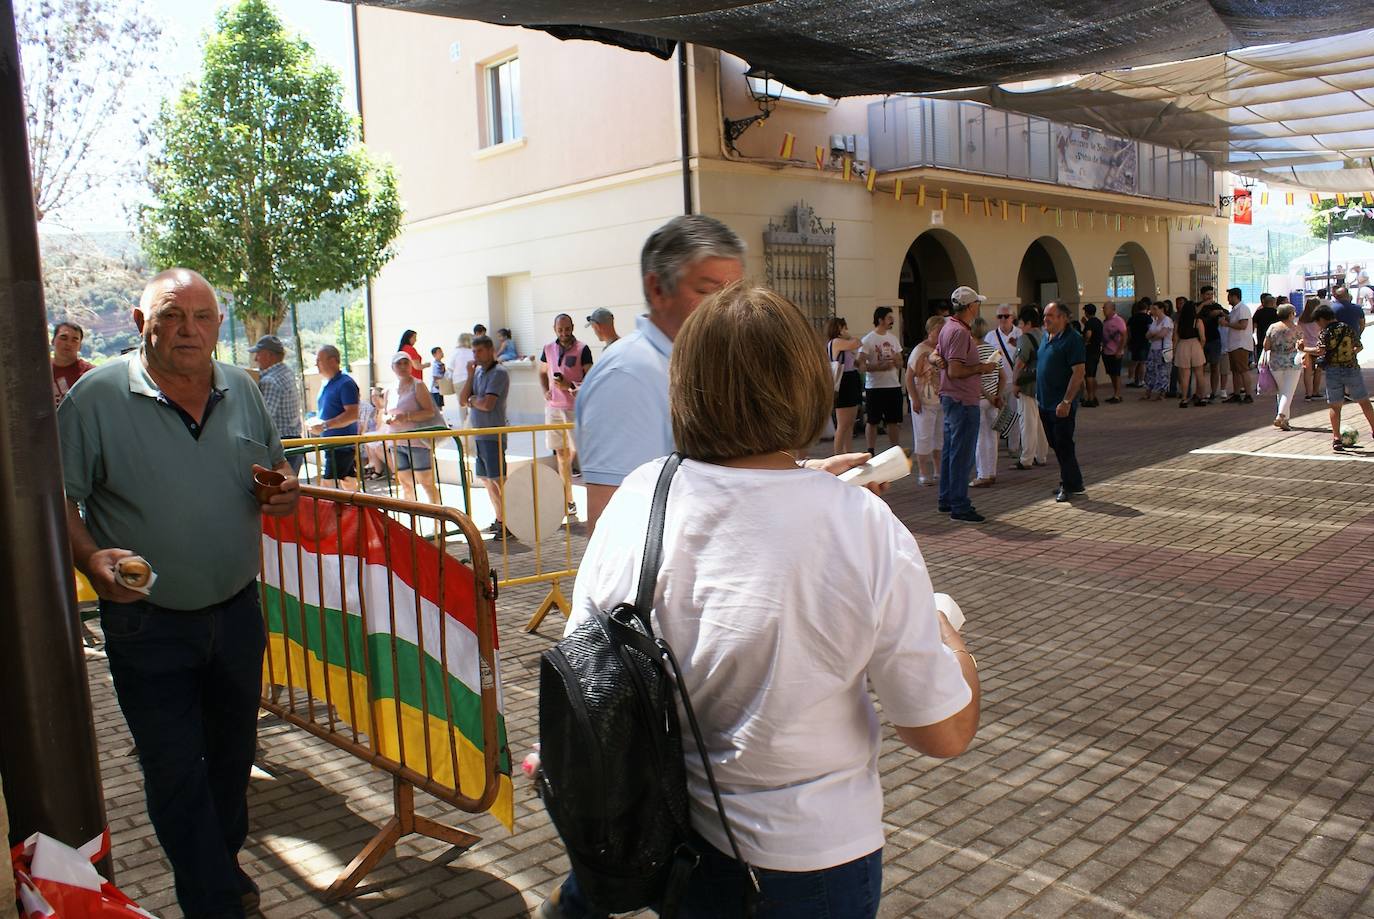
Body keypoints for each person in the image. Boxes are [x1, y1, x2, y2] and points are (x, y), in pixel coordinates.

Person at [544, 283, 979, 919]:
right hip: (807, 866)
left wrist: (793, 485)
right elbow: (942, 731)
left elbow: (593, 650)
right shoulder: (860, 523)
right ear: (806, 384)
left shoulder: (640, 495)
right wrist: (943, 623)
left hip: (672, 838)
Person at [58, 268, 299, 918]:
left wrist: (281, 490)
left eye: (201, 316)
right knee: (173, 771)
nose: (188, 328)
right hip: (146, 623)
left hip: (236, 611)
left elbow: (279, 472)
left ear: (220, 326)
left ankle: (218, 870)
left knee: (231, 759)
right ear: (142, 323)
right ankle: (216, 899)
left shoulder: (244, 389)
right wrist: (91, 556)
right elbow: (60, 501)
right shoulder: (94, 397)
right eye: (171, 314)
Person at [575, 215, 746, 533]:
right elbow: (615, 533)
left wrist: (796, 478)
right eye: (710, 291)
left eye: (736, 293)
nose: (730, 308)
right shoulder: (628, 378)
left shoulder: (694, 363)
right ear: (657, 289)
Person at [937, 286, 997, 523]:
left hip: (952, 398)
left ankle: (947, 499)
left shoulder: (948, 327)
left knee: (951, 452)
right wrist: (983, 367)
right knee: (961, 455)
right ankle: (959, 505)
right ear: (971, 307)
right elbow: (956, 369)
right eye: (977, 304)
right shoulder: (960, 332)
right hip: (962, 399)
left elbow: (938, 357)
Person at [540, 313, 594, 519]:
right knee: (561, 456)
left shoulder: (583, 349)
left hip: (574, 407)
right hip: (553, 408)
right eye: (560, 329)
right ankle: (568, 501)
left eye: (567, 328)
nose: (564, 333)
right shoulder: (548, 349)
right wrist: (546, 389)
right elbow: (542, 371)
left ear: (572, 327)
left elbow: (591, 379)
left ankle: (593, 500)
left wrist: (570, 386)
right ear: (555, 329)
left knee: (578, 452)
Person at [462, 335, 513, 537]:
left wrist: (473, 400)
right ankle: (500, 519)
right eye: (474, 352)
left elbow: (487, 404)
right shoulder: (477, 373)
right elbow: (462, 399)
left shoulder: (499, 373)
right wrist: (469, 376)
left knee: (499, 480)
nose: (476, 355)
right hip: (479, 434)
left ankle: (510, 521)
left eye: (480, 351)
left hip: (493, 433)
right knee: (486, 481)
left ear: (490, 350)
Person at [1037, 302, 1087, 502]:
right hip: (1044, 402)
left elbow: (1079, 373)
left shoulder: (1072, 340)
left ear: (1063, 318)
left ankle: (1069, 484)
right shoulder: (1045, 336)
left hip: (1061, 404)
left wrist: (1066, 401)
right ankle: (1073, 481)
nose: (1046, 319)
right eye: (1044, 315)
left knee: (1063, 443)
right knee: (1055, 443)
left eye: (1050, 315)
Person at [1309, 304, 1374, 451]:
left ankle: (1336, 438)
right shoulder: (1347, 328)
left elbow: (1320, 351)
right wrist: (1349, 354)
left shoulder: (1325, 332)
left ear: (1322, 319)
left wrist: (1303, 349)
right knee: (1363, 401)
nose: (1318, 325)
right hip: (1351, 368)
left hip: (1333, 371)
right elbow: (1359, 346)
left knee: (1335, 405)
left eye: (1318, 322)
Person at [384, 352, 443, 504]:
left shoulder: (418, 385)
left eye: (406, 363)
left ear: (411, 366)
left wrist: (407, 417)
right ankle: (411, 521)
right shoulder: (389, 389)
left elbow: (429, 412)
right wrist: (388, 419)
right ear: (393, 367)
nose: (403, 367)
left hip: (417, 442)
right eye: (399, 364)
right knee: (405, 484)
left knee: (426, 483)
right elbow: (384, 413)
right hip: (396, 442)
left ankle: (438, 520)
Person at [248, 334, 303, 472]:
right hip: (294, 442)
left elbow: (265, 419)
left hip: (281, 445)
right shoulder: (286, 373)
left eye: (258, 354)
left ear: (268, 355)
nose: (255, 359)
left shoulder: (270, 381)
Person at [308, 345, 360, 485]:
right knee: (349, 482)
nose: (316, 364)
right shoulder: (327, 384)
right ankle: (361, 506)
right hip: (332, 444)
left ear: (332, 361)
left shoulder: (346, 383)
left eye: (319, 360)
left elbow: (353, 414)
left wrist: (324, 425)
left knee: (330, 485)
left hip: (341, 445)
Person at [859, 306, 904, 455]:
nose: (892, 320)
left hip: (893, 385)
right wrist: (878, 367)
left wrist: (896, 362)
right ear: (881, 320)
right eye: (889, 318)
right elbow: (860, 364)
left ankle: (895, 449)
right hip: (875, 386)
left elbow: (900, 361)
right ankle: (870, 450)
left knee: (893, 421)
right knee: (872, 420)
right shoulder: (868, 339)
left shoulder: (893, 339)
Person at [906, 316, 944, 486]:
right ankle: (923, 471)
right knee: (924, 436)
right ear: (930, 331)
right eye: (938, 330)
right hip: (925, 399)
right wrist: (915, 399)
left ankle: (938, 470)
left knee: (939, 437)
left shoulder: (943, 349)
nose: (940, 334)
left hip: (940, 399)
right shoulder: (920, 350)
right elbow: (909, 376)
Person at [969, 317, 1006, 489]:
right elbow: (1003, 376)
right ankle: (991, 472)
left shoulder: (971, 352)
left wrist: (989, 395)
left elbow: (975, 379)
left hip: (979, 400)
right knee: (992, 437)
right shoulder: (994, 351)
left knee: (980, 438)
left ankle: (982, 474)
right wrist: (997, 395)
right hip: (993, 402)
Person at [1012, 305, 1048, 471]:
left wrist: (1015, 384)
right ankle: (1041, 455)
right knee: (1040, 422)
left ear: (1027, 322)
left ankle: (1026, 458)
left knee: (1027, 422)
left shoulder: (1025, 338)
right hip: (1042, 384)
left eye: (1020, 323)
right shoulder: (1044, 335)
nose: (1019, 326)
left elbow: (1019, 363)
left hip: (1027, 385)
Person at [984, 305, 1021, 453]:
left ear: (1013, 317)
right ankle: (994, 447)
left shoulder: (1020, 334)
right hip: (997, 382)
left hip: (1014, 381)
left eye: (1006, 316)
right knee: (996, 416)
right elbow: (987, 360)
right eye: (1000, 316)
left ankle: (1014, 447)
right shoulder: (991, 336)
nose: (1003, 319)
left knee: (1014, 414)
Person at [1260, 303, 1302, 430]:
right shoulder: (1296, 329)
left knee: (1282, 391)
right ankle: (1281, 415)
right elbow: (1302, 346)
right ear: (1290, 314)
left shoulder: (1273, 327)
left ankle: (1285, 420)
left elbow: (1266, 345)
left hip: (1275, 362)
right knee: (1288, 392)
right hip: (1293, 362)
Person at [826, 316, 863, 455]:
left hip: (850, 379)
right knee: (843, 423)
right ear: (839, 329)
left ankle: (849, 453)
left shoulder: (843, 343)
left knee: (850, 422)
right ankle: (838, 454)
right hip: (844, 381)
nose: (847, 330)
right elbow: (857, 343)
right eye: (844, 327)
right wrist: (849, 336)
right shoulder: (836, 342)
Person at [1171, 300, 1209, 408]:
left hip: (1182, 345)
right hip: (1195, 344)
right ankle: (1201, 397)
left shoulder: (1178, 322)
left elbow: (1175, 339)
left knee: (1184, 375)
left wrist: (1174, 352)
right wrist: (1200, 348)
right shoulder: (1198, 321)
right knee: (1199, 374)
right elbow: (1203, 338)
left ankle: (1184, 399)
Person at [1220, 287, 1254, 403]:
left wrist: (1227, 324)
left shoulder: (1243, 309)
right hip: (1233, 344)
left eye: (1229, 296)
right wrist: (1226, 317)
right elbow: (1234, 320)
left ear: (1235, 296)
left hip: (1241, 344)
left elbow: (1243, 325)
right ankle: (1236, 393)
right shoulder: (1235, 310)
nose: (1228, 299)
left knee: (1243, 369)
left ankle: (1248, 394)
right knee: (1235, 371)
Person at [51, 319, 95, 405]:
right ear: (53, 341)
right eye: (63, 338)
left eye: (74, 340)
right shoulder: (38, 370)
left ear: (80, 346)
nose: (68, 343)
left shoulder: (90, 374)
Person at [1197, 288, 1228, 401]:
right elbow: (1195, 314)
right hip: (1201, 339)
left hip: (1214, 339)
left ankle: (1213, 392)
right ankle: (1200, 392)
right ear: (1202, 295)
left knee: (1215, 366)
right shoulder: (1198, 306)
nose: (1209, 296)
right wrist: (1204, 304)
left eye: (1211, 294)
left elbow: (1227, 316)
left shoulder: (1217, 306)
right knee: (1200, 367)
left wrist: (1220, 312)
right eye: (1207, 294)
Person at [1143, 301, 1174, 401]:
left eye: (1155, 309)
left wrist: (1153, 336)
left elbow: (1162, 334)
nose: (1153, 311)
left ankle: (1162, 392)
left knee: (1162, 371)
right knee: (1150, 370)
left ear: (1162, 309)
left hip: (1163, 349)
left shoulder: (1167, 321)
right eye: (1152, 309)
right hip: (1153, 349)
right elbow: (1147, 335)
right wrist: (1153, 336)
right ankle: (1148, 391)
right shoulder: (1155, 321)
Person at [1298, 297, 1325, 401]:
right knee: (1318, 370)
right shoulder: (1318, 319)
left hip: (1305, 347)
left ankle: (1308, 394)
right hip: (1317, 347)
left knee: (1307, 372)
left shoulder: (1301, 318)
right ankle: (1315, 392)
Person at [1100, 302, 1127, 403]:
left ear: (1112, 309)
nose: (1103, 310)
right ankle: (1115, 393)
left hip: (1116, 351)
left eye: (1105, 308)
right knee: (1111, 373)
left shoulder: (1118, 320)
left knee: (1116, 374)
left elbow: (1124, 335)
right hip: (1107, 351)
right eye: (1103, 308)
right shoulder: (1106, 321)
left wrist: (1119, 350)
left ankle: (1117, 395)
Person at [1079, 303, 1103, 407]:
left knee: (1088, 376)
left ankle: (1090, 398)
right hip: (1097, 350)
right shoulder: (1098, 322)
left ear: (1087, 312)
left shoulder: (1090, 323)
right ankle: (1094, 396)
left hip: (1089, 351)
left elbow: (1088, 334)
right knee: (1093, 375)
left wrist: (1085, 342)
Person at [450, 332, 476, 426]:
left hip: (458, 380)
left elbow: (450, 367)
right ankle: (474, 423)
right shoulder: (473, 351)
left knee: (462, 404)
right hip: (472, 378)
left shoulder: (456, 352)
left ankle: (464, 425)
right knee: (474, 401)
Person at [1126, 299, 1152, 387]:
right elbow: (1150, 329)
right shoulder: (1148, 318)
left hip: (1134, 341)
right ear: (1146, 308)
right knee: (1143, 362)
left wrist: (1129, 340)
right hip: (1144, 342)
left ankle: (1131, 377)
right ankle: (1141, 380)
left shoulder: (1132, 318)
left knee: (1134, 361)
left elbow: (1128, 331)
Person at [1252, 293, 1278, 366]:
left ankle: (1260, 367)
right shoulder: (1276, 313)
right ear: (1272, 303)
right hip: (1274, 338)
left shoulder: (1258, 312)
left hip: (1261, 337)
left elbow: (1254, 325)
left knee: (1261, 353)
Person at [429, 346, 449, 411]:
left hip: (440, 388)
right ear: (434, 355)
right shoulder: (435, 365)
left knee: (440, 405)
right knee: (437, 406)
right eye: (439, 352)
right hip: (435, 389)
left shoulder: (441, 364)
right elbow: (435, 377)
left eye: (441, 351)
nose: (442, 353)